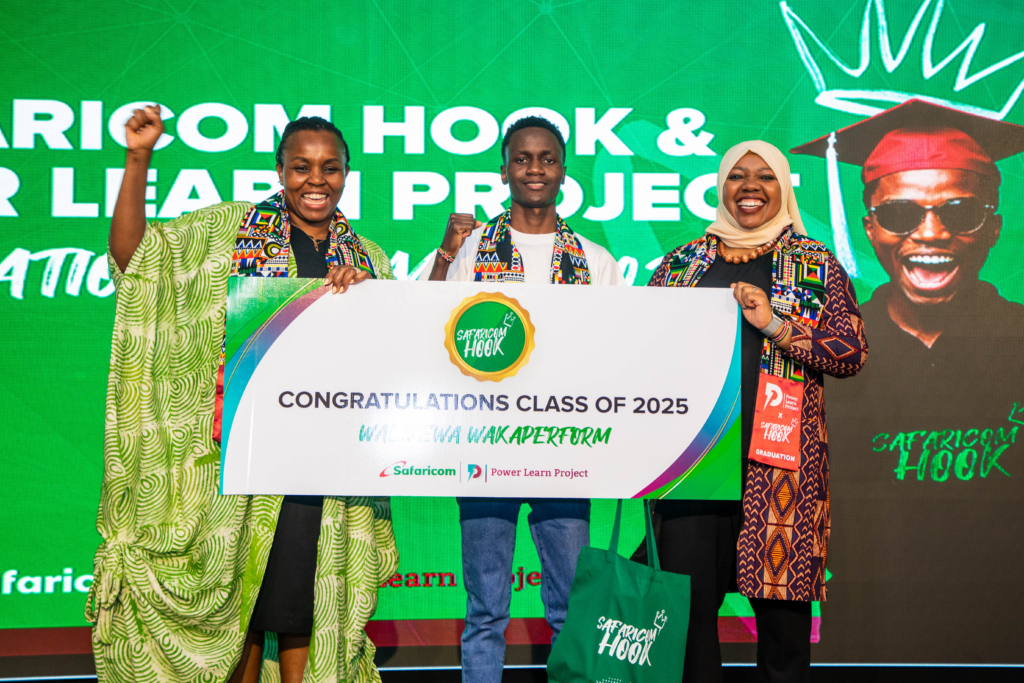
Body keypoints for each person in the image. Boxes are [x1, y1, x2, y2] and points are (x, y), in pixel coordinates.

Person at [88, 107, 398, 683]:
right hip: (241, 466)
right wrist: (138, 160)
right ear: (280, 171)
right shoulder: (224, 232)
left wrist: (370, 296)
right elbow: (136, 261)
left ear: (347, 175)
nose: (316, 180)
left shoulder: (369, 258)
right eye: (301, 166)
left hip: (321, 478)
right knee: (241, 617)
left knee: (308, 613)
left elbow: (388, 364)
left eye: (330, 168)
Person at [790, 99, 1024, 661]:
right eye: (900, 214)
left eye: (959, 212)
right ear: (870, 229)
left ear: (992, 229)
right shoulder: (830, 347)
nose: (931, 232)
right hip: (871, 618)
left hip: (1005, 619)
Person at [646, 141, 867, 682]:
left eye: (764, 177)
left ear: (784, 187)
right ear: (721, 186)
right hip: (694, 468)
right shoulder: (681, 263)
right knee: (688, 626)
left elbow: (850, 351)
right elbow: (642, 350)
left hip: (780, 465)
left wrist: (774, 323)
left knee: (784, 630)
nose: (749, 187)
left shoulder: (816, 263)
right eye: (737, 176)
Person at [428, 115, 625, 682]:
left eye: (547, 158)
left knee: (568, 609)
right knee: (486, 610)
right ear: (504, 169)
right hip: (485, 447)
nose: (534, 168)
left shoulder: (595, 260)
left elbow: (617, 352)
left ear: (563, 171)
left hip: (564, 447)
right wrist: (444, 254)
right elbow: (423, 321)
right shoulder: (471, 251)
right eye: (522, 158)